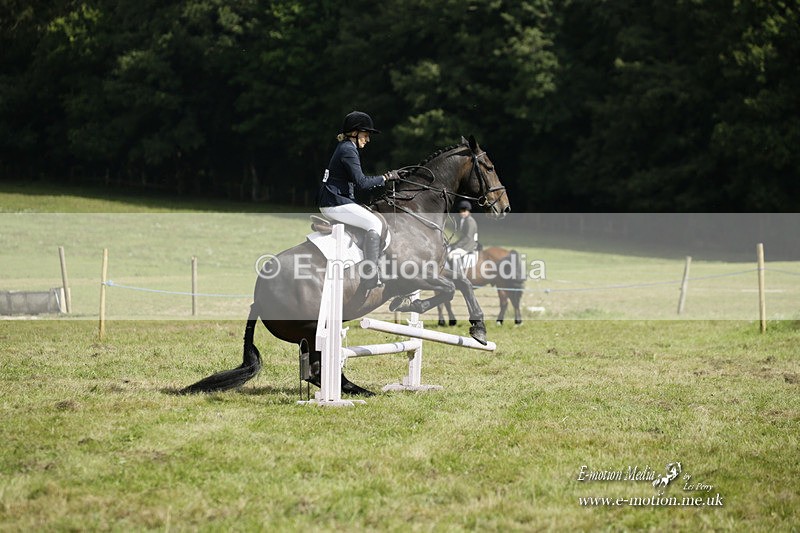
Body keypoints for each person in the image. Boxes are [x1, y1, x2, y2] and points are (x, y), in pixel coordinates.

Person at [318, 111, 400, 289]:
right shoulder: (348, 150)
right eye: (365, 135)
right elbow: (362, 183)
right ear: (354, 133)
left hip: (337, 200)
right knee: (375, 224)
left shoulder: (346, 147)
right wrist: (385, 178)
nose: (367, 139)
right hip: (335, 203)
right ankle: (370, 275)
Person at [447, 200, 479, 269]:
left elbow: (468, 237)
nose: (462, 213)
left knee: (453, 256)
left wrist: (457, 246)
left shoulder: (469, 221)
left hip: (468, 245)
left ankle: (457, 275)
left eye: (464, 211)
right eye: (461, 211)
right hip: (465, 244)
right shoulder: (464, 220)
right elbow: (463, 237)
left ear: (468, 211)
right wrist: (454, 244)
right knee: (448, 249)